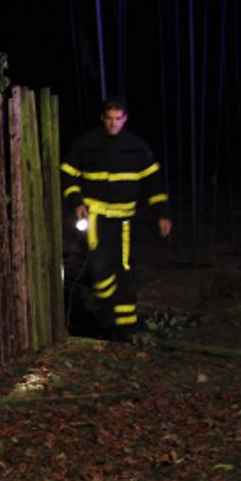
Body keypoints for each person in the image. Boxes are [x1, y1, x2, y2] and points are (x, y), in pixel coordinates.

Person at [61, 98, 172, 340]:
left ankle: (125, 329)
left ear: (125, 119)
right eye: (109, 118)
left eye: (118, 118)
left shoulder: (137, 147)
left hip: (124, 223)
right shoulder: (86, 144)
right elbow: (68, 176)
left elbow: (154, 183)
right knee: (98, 268)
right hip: (95, 218)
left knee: (125, 272)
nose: (113, 123)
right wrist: (77, 201)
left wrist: (162, 214)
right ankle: (107, 317)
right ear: (103, 118)